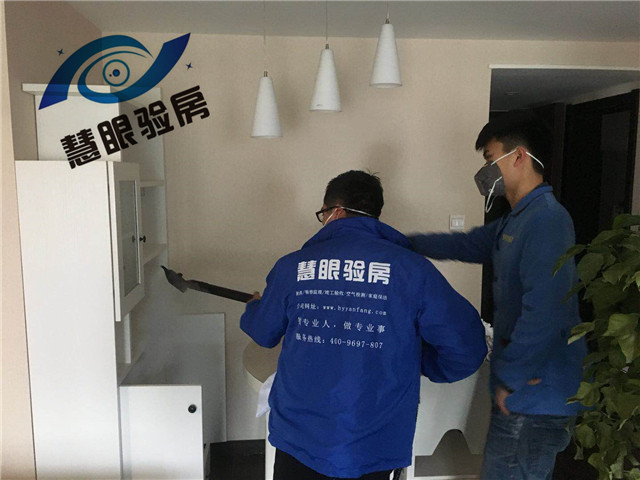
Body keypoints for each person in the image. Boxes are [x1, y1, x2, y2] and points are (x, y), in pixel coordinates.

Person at [241, 170, 487, 480]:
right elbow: (467, 348)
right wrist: (417, 361)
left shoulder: (293, 267)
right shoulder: (412, 270)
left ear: (335, 211)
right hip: (374, 441)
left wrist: (254, 306)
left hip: (300, 435)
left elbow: (264, 332)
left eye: (323, 214)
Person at [408, 112, 587, 480]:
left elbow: (545, 310)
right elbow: (465, 244)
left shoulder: (547, 220)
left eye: (490, 159)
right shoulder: (516, 219)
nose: (485, 171)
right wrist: (399, 242)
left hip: (535, 395)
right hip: (522, 393)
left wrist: (512, 378)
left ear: (519, 156)